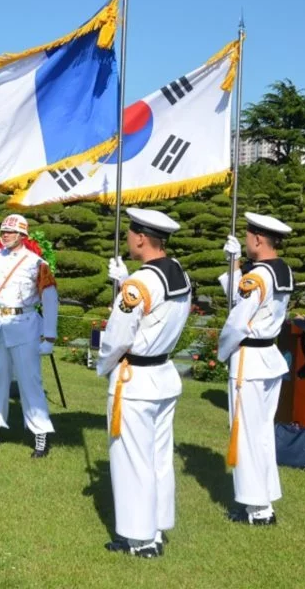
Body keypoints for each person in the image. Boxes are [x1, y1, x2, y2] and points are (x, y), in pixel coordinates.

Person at [99, 208, 191, 559]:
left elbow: (117, 337)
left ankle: (139, 539)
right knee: (157, 457)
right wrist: (127, 282)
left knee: (132, 459)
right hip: (163, 374)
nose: (127, 239)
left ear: (140, 238)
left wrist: (103, 366)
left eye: (130, 234)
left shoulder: (138, 285)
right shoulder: (178, 271)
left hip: (135, 380)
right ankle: (155, 529)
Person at [218, 213, 293, 526]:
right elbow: (243, 300)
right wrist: (235, 265)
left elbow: (238, 319)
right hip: (268, 356)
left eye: (249, 236)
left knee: (246, 433)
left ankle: (256, 509)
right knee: (261, 434)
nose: (247, 240)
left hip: (249, 358)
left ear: (258, 239)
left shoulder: (258, 275)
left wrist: (223, 351)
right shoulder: (281, 269)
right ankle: (264, 503)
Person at [0, 214, 58, 457]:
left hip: (24, 324)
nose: (5, 235)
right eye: (3, 231)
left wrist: (49, 337)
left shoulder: (37, 263)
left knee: (30, 381)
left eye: (10, 232)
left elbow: (50, 299)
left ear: (22, 235)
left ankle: (41, 432)